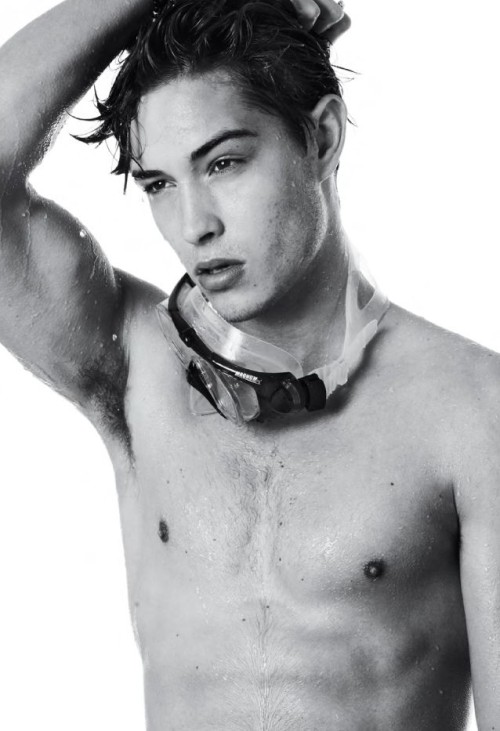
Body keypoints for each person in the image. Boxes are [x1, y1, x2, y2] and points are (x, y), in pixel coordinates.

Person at [0, 0, 497, 729]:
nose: (194, 225)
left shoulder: (473, 409)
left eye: (224, 163)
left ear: (321, 138)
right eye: (160, 183)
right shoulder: (134, 366)